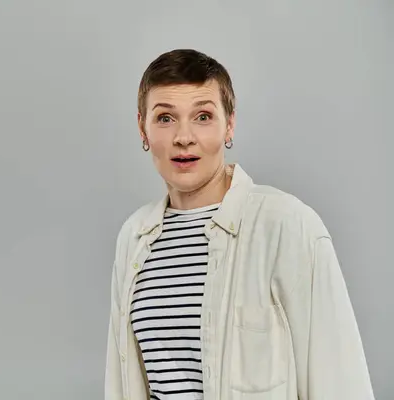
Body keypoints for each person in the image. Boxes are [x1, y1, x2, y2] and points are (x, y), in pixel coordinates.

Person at [104, 49, 374, 400]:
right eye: (166, 119)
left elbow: (340, 381)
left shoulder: (287, 226)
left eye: (203, 116)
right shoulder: (134, 237)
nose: (184, 137)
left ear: (229, 124)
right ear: (143, 128)